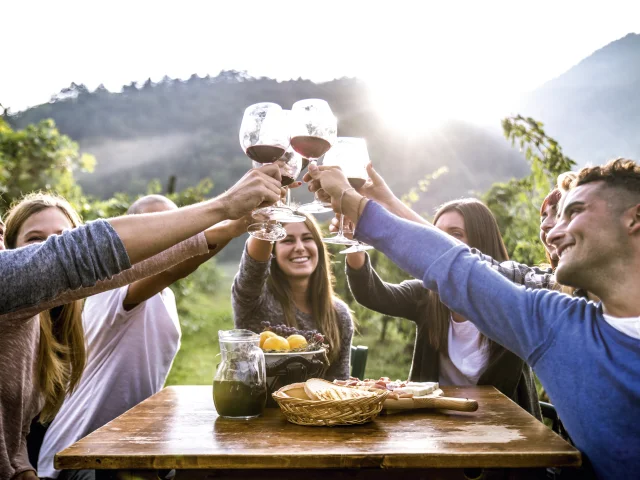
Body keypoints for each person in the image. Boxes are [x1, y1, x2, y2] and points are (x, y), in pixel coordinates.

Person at [305, 158, 640, 479]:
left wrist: (357, 201)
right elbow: (454, 265)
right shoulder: (554, 322)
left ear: (634, 219)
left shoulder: (549, 318)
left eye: (575, 211)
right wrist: (360, 201)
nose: (552, 234)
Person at [0, 165, 283, 480]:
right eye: (35, 241)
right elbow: (155, 266)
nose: (47, 249)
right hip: (83, 462)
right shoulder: (104, 295)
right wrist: (226, 211)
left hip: (117, 451)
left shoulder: (49, 325)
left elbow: (13, 435)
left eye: (61, 238)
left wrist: (24, 472)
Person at [344, 198, 541, 418]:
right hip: (436, 424)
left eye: (455, 234)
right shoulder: (426, 296)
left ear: (481, 245)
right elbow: (372, 294)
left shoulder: (511, 300)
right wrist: (354, 246)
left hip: (506, 425)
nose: (441, 244)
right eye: (435, 235)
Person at [232, 214, 354, 380]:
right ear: (272, 251)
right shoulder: (256, 301)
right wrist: (270, 217)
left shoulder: (339, 314)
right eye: (288, 240)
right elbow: (252, 267)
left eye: (307, 238)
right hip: (261, 405)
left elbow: (339, 385)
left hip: (315, 406)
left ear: (318, 247)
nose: (299, 247)